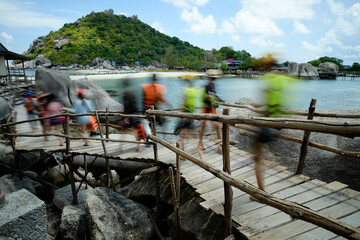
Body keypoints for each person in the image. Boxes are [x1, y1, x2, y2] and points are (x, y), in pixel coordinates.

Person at [252, 72, 294, 192]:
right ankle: (265, 161)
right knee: (258, 150)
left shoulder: (270, 89)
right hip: (276, 124)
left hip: (268, 124)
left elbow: (267, 108)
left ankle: (261, 192)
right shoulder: (281, 89)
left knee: (257, 156)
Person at [198, 71, 224, 154]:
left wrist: (223, 101)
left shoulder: (213, 85)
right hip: (206, 106)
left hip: (211, 107)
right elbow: (206, 97)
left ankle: (219, 145)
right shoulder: (206, 86)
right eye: (213, 77)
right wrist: (210, 98)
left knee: (217, 125)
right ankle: (199, 143)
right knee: (203, 125)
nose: (214, 78)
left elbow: (215, 96)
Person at [121, 79, 145, 152]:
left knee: (124, 130)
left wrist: (125, 117)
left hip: (129, 114)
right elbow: (135, 104)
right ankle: (138, 146)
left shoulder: (125, 92)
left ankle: (121, 146)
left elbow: (126, 106)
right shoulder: (133, 91)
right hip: (135, 114)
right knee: (136, 131)